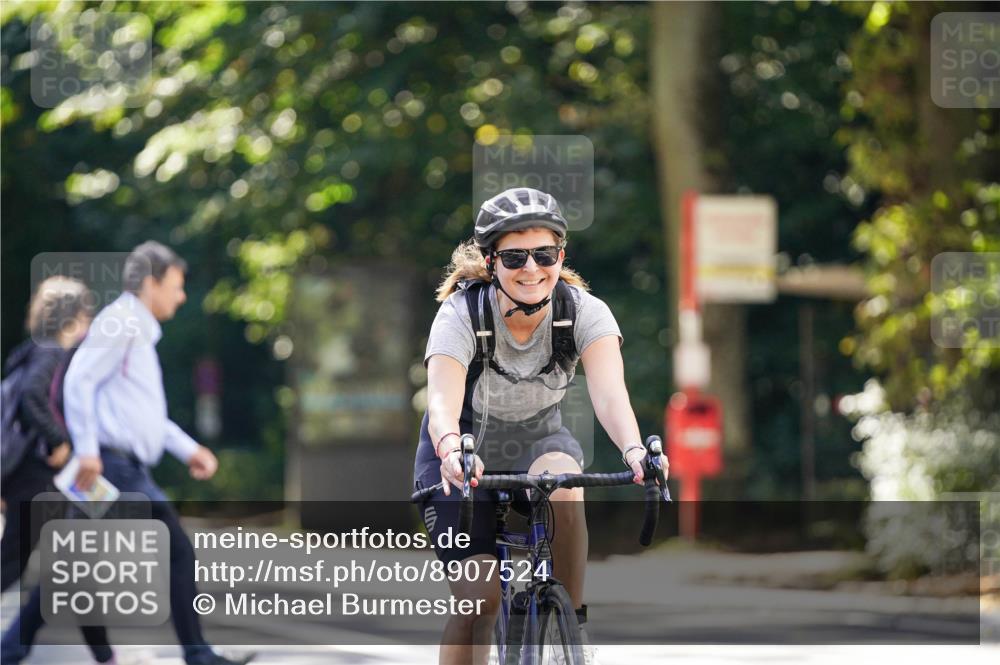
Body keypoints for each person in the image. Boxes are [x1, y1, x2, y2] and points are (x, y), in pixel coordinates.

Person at [412, 187, 668, 665]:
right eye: (514, 257)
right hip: (460, 446)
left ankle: (572, 621)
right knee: (480, 600)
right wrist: (451, 450)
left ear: (560, 255)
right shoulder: (462, 314)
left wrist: (635, 451)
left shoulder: (585, 312)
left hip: (537, 437)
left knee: (566, 488)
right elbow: (442, 402)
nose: (531, 268)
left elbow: (611, 395)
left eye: (544, 254)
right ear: (492, 263)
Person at [1, 242, 254, 665]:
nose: (181, 296)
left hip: (116, 467)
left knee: (74, 562)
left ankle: (11, 648)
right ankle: (197, 652)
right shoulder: (120, 323)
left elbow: (145, 418)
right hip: (113, 469)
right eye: (176, 286)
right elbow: (79, 380)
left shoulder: (136, 330)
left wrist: (188, 450)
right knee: (175, 549)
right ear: (151, 282)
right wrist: (86, 451)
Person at [0, 276, 120, 665]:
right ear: (75, 316)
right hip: (38, 478)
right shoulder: (51, 352)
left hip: (27, 477)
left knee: (72, 563)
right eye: (87, 314)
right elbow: (34, 397)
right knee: (17, 561)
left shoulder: (27, 351)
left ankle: (103, 655)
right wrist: (60, 441)